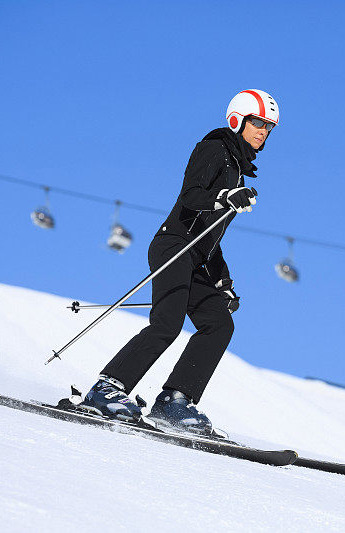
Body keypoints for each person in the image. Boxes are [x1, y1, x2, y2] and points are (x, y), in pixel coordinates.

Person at [80, 89, 279, 434]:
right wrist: (224, 196)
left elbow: (211, 237)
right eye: (258, 123)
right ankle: (107, 389)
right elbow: (190, 196)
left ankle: (175, 401)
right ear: (238, 119)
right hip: (173, 245)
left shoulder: (238, 172)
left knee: (219, 324)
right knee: (167, 324)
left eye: (268, 127)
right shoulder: (214, 148)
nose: (263, 131)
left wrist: (223, 282)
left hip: (196, 256)